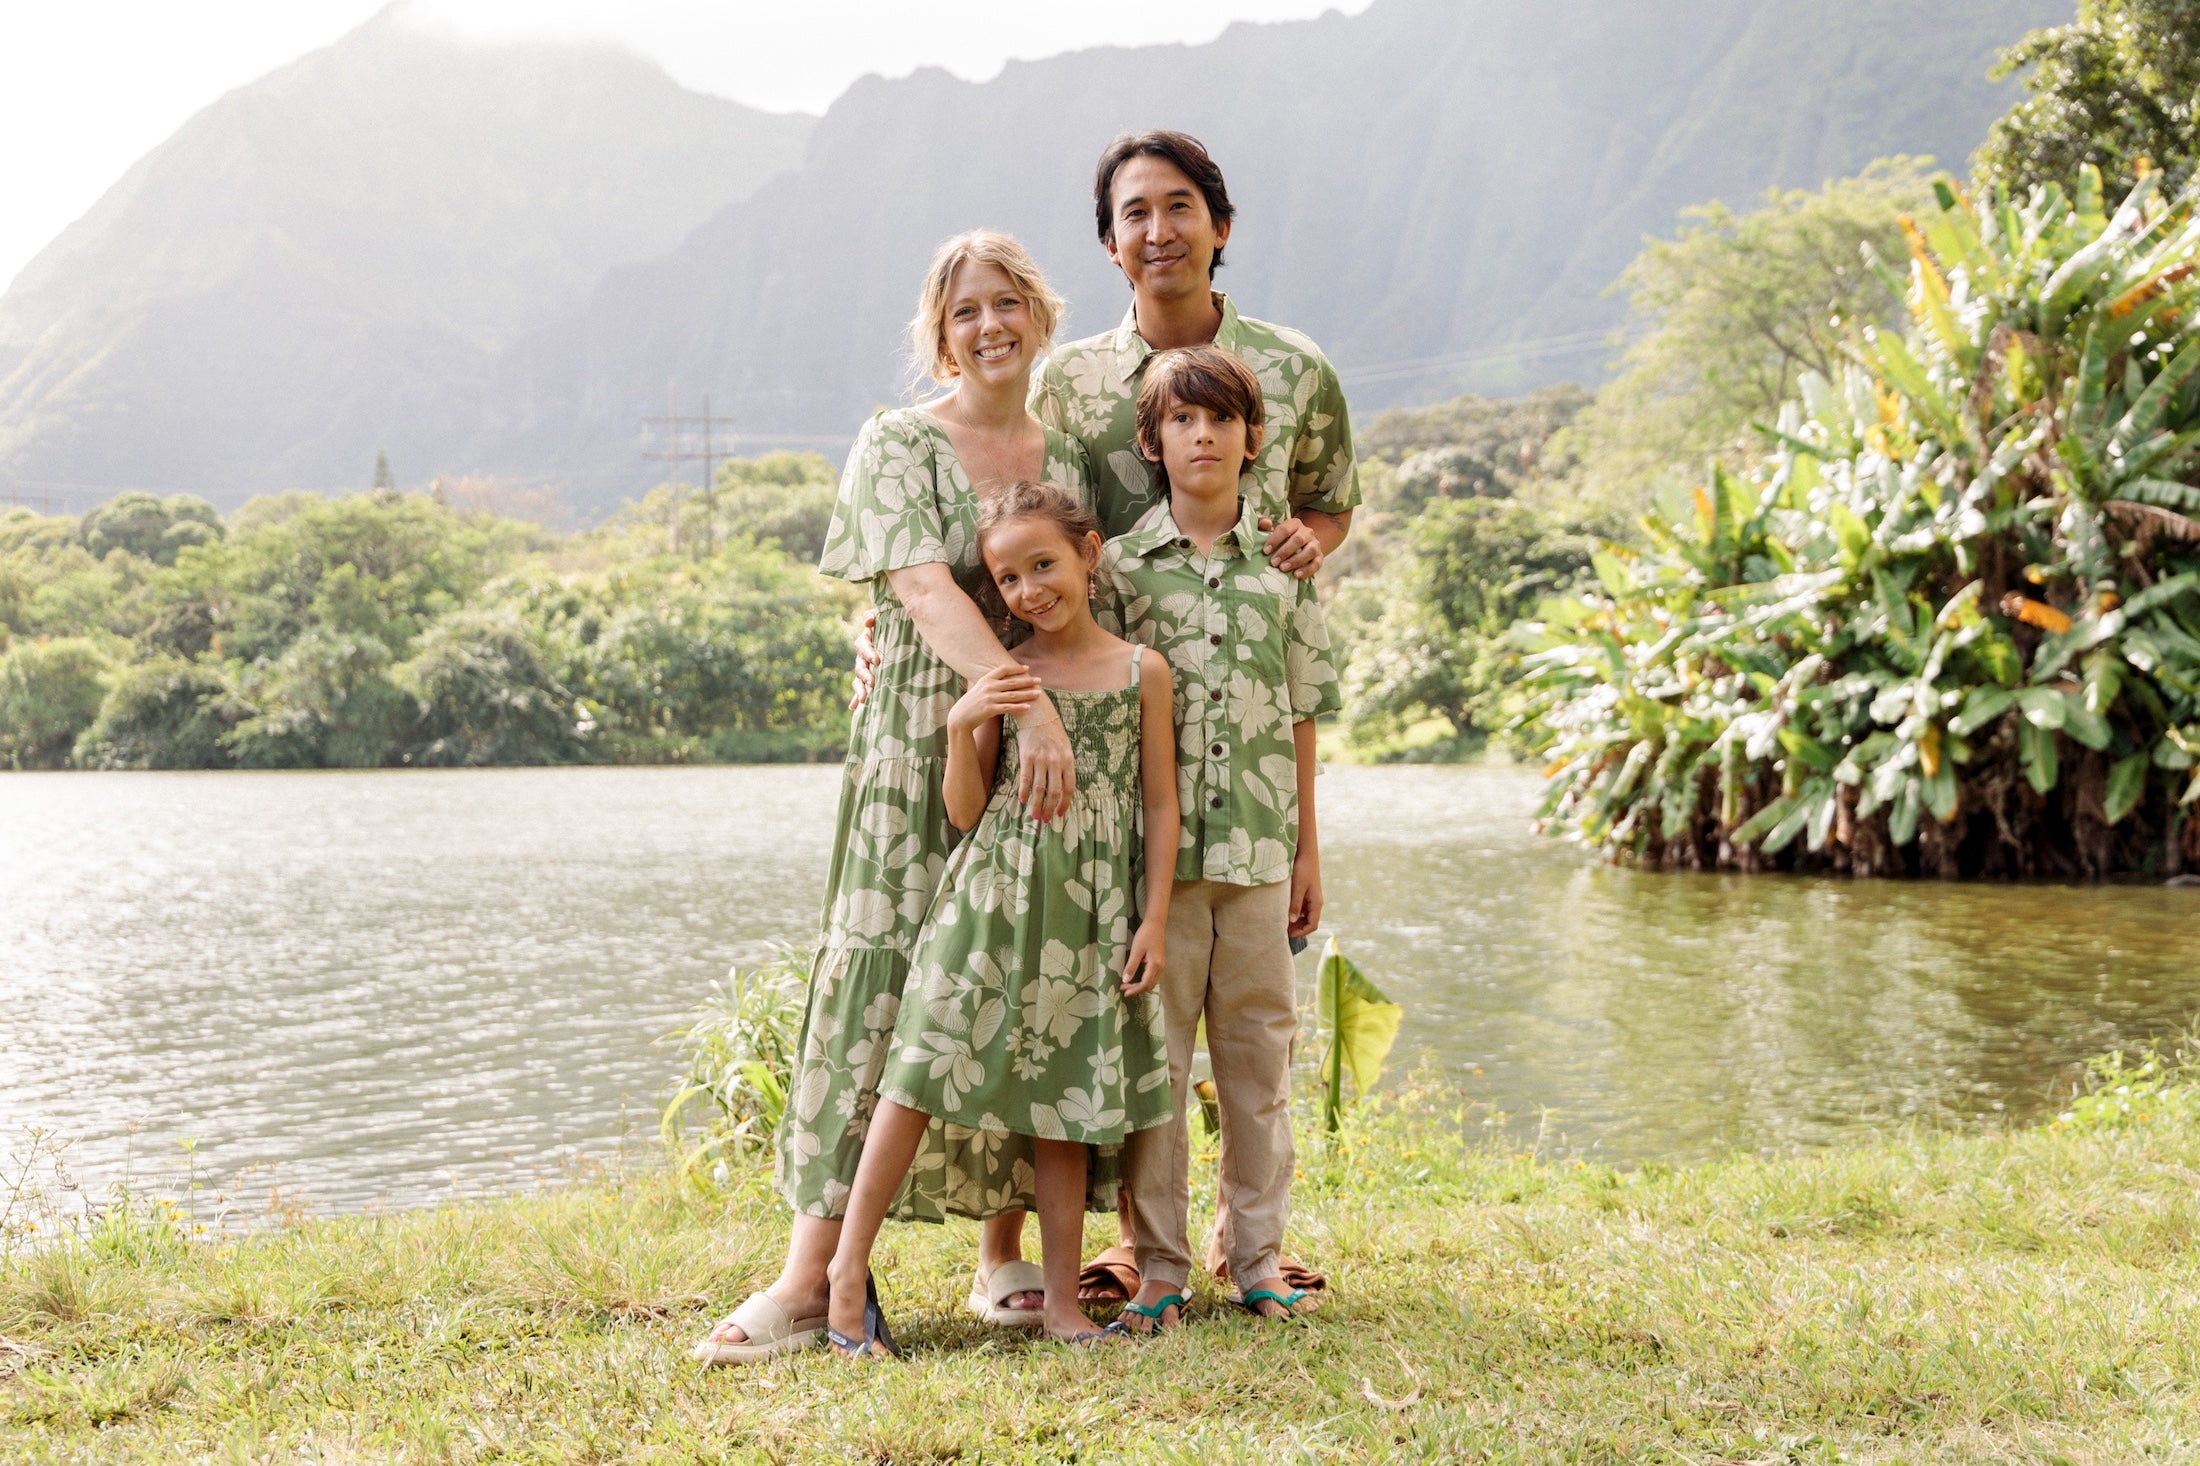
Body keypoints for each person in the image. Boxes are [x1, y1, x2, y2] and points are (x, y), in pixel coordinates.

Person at [694, 231, 1099, 1365]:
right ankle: (810, 1277)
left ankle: (1002, 1254)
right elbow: (920, 588)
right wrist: (1026, 703)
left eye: (1006, 302)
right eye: (965, 311)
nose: (989, 325)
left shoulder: (1069, 452)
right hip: (921, 742)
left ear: (1040, 314)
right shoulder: (898, 442)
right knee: (879, 979)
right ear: (939, 335)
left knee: (1013, 970)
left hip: (1040, 751)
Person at [821, 481, 1179, 1354]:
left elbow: (1161, 804)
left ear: (1089, 553)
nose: (1028, 591)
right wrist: (961, 727)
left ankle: (1062, 1305)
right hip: (989, 902)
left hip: (1090, 915)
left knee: (1061, 1096)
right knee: (917, 1073)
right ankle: (843, 1276)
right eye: (1008, 579)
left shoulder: (1144, 671)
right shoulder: (1006, 675)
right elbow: (963, 811)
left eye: (1043, 565)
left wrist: (1154, 919)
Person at [1096, 345, 1336, 1331]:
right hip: (1155, 872)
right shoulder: (1119, 570)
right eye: (1182, 420)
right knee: (1154, 1071)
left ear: (1253, 438)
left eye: (1221, 419)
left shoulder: (1283, 566)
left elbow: (1302, 711)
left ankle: (1257, 1258)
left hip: (1260, 856)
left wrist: (1307, 850)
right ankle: (1158, 1265)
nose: (1203, 435)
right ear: (1153, 442)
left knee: (1258, 1066)